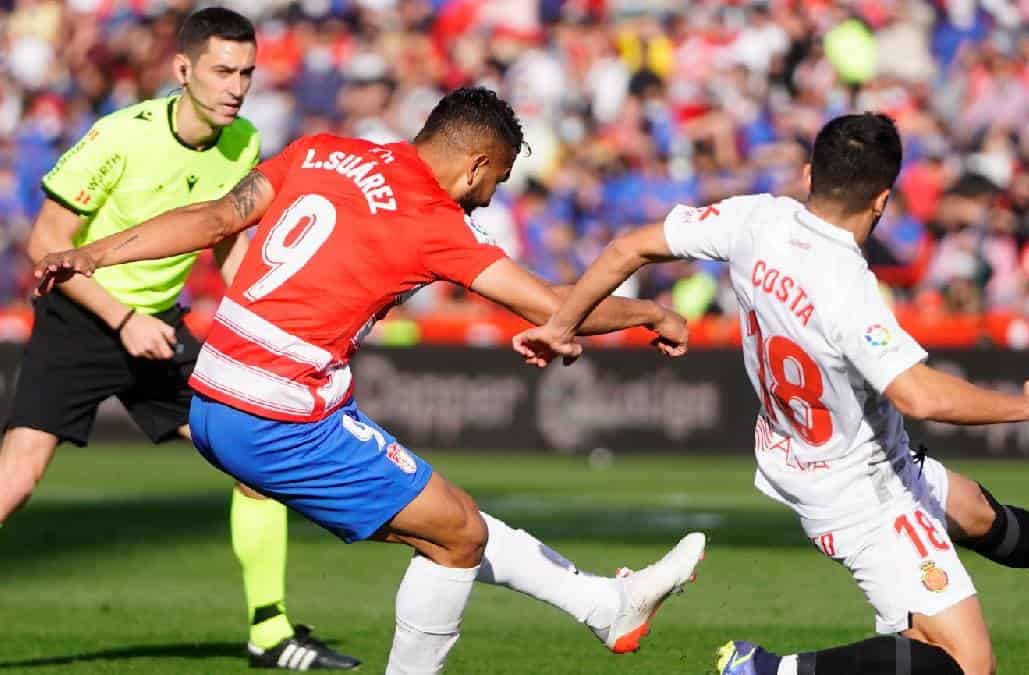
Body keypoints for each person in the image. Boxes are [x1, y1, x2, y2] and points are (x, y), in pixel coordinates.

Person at [31, 86, 706, 674]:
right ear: (475, 164)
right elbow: (554, 304)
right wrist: (652, 311)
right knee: (458, 537)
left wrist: (92, 251)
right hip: (277, 412)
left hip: (214, 390)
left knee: (448, 521)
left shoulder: (322, 150)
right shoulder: (434, 222)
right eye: (495, 180)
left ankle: (604, 606)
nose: (488, 198)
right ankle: (602, 608)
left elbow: (215, 220)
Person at [512, 112, 1029, 675]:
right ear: (884, 201)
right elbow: (920, 396)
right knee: (965, 663)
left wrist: (563, 324)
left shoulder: (755, 218)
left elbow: (629, 246)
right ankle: (771, 671)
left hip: (799, 450)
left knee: (970, 510)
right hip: (859, 488)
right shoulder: (848, 289)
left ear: (811, 173)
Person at [0, 8, 359, 669]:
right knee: (17, 478)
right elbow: (46, 245)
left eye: (247, 72)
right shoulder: (119, 136)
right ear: (183, 70)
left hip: (159, 325)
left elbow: (228, 243)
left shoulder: (245, 142)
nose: (237, 86)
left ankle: (270, 632)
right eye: (223, 71)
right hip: (81, 317)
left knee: (255, 460)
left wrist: (272, 323)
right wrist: (122, 318)